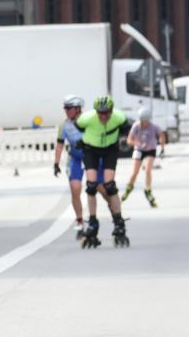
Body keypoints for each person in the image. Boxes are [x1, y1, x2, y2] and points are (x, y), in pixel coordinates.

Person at [75, 96, 131, 248]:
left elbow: (127, 127)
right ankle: (92, 222)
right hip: (90, 149)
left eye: (107, 113)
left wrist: (121, 136)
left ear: (112, 111)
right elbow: (78, 125)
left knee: (110, 186)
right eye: (101, 113)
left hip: (110, 149)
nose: (104, 116)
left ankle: (119, 222)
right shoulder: (87, 118)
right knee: (91, 186)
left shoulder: (119, 117)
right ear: (96, 112)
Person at [53, 95, 90, 238]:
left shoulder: (88, 121)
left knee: (100, 187)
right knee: (75, 189)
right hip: (75, 158)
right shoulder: (64, 125)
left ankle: (113, 215)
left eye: (69, 108)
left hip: (90, 156)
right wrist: (56, 163)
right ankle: (80, 221)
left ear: (78, 108)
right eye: (65, 108)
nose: (66, 111)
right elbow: (60, 144)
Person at [121, 107, 166, 208]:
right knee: (135, 172)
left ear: (149, 120)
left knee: (148, 170)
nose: (143, 123)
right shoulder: (136, 126)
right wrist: (135, 143)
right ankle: (128, 189)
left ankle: (148, 190)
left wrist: (162, 148)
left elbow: (162, 135)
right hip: (139, 150)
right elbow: (129, 139)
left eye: (145, 121)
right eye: (142, 121)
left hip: (150, 150)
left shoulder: (154, 127)